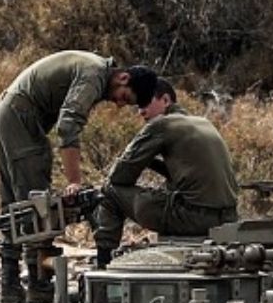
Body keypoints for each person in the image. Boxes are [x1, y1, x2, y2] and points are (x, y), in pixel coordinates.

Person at [90, 78, 241, 268]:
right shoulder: (203, 123)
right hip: (228, 218)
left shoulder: (161, 125)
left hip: (193, 218)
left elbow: (119, 177)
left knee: (110, 192)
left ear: (166, 100)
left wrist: (139, 155)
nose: (141, 111)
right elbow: (190, 175)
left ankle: (104, 264)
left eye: (145, 103)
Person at [0, 51, 154, 205]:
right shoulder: (94, 75)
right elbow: (68, 125)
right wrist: (74, 182)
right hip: (19, 114)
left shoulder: (97, 69)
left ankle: (12, 235)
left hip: (9, 111)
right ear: (124, 78)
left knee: (15, 190)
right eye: (124, 97)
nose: (119, 104)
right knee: (35, 198)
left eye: (125, 104)